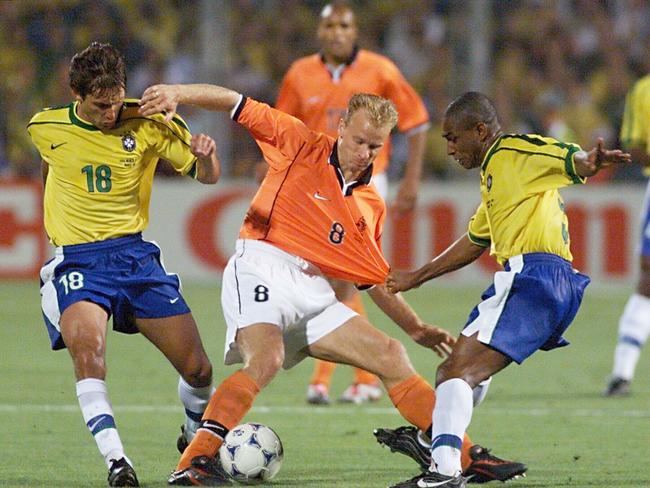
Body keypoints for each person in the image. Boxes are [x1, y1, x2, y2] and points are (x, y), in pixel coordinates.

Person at [138, 84, 527, 486]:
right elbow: (236, 103)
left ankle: (465, 454)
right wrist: (177, 92)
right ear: (341, 127)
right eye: (359, 140)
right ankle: (194, 460)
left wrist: (416, 329)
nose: (365, 153)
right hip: (262, 265)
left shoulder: (370, 204)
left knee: (391, 356)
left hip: (313, 288)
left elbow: (372, 278)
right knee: (266, 359)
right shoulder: (298, 142)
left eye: (375, 147)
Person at [383, 92, 631, 488]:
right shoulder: (496, 179)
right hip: (555, 282)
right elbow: (475, 239)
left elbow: (564, 155)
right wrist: (418, 276)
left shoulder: (512, 151)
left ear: (480, 131)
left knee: (453, 372)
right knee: (470, 371)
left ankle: (442, 470)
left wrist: (588, 161)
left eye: (453, 137)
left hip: (533, 276)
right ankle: (434, 438)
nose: (448, 148)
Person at [27, 42, 221, 487]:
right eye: (99, 106)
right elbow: (50, 164)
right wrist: (58, 225)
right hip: (79, 261)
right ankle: (118, 463)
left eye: (116, 102)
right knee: (89, 354)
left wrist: (207, 154)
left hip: (134, 257)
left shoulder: (152, 121)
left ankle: (193, 443)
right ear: (77, 95)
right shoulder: (45, 125)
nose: (110, 113)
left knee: (199, 370)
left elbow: (206, 176)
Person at [274, 1, 430, 405]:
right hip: (312, 188)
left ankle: (356, 377)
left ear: (355, 30)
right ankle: (345, 378)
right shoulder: (299, 73)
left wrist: (411, 179)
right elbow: (282, 130)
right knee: (330, 277)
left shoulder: (381, 70)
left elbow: (417, 122)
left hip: (363, 184)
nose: (337, 33)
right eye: (330, 26)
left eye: (344, 25)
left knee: (346, 275)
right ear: (320, 32)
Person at [604, 74, 650, 397]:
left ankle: (622, 373)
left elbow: (636, 147)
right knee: (647, 279)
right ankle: (622, 373)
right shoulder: (643, 90)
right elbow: (634, 148)